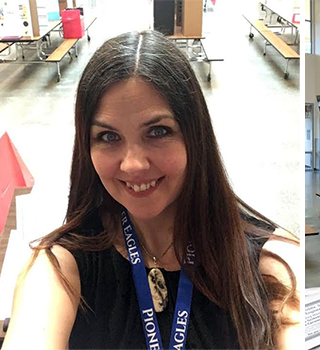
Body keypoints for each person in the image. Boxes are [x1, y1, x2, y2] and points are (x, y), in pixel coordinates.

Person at [1, 30, 300, 349]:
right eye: (108, 136)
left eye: (158, 131)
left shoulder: (272, 264)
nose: (132, 165)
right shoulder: (57, 269)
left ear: (194, 137)